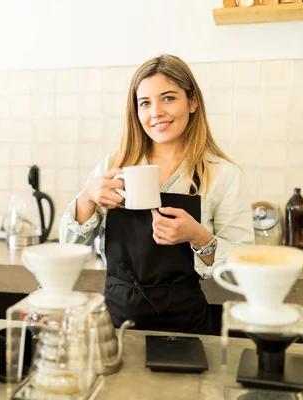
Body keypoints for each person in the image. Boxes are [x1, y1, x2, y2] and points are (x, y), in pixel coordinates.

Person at [59, 54, 254, 334]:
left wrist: (199, 238)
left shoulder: (223, 175)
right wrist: (88, 197)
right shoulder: (113, 167)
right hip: (114, 328)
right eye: (145, 103)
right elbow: (69, 249)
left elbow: (243, 269)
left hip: (186, 330)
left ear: (193, 102)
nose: (156, 113)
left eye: (168, 98)